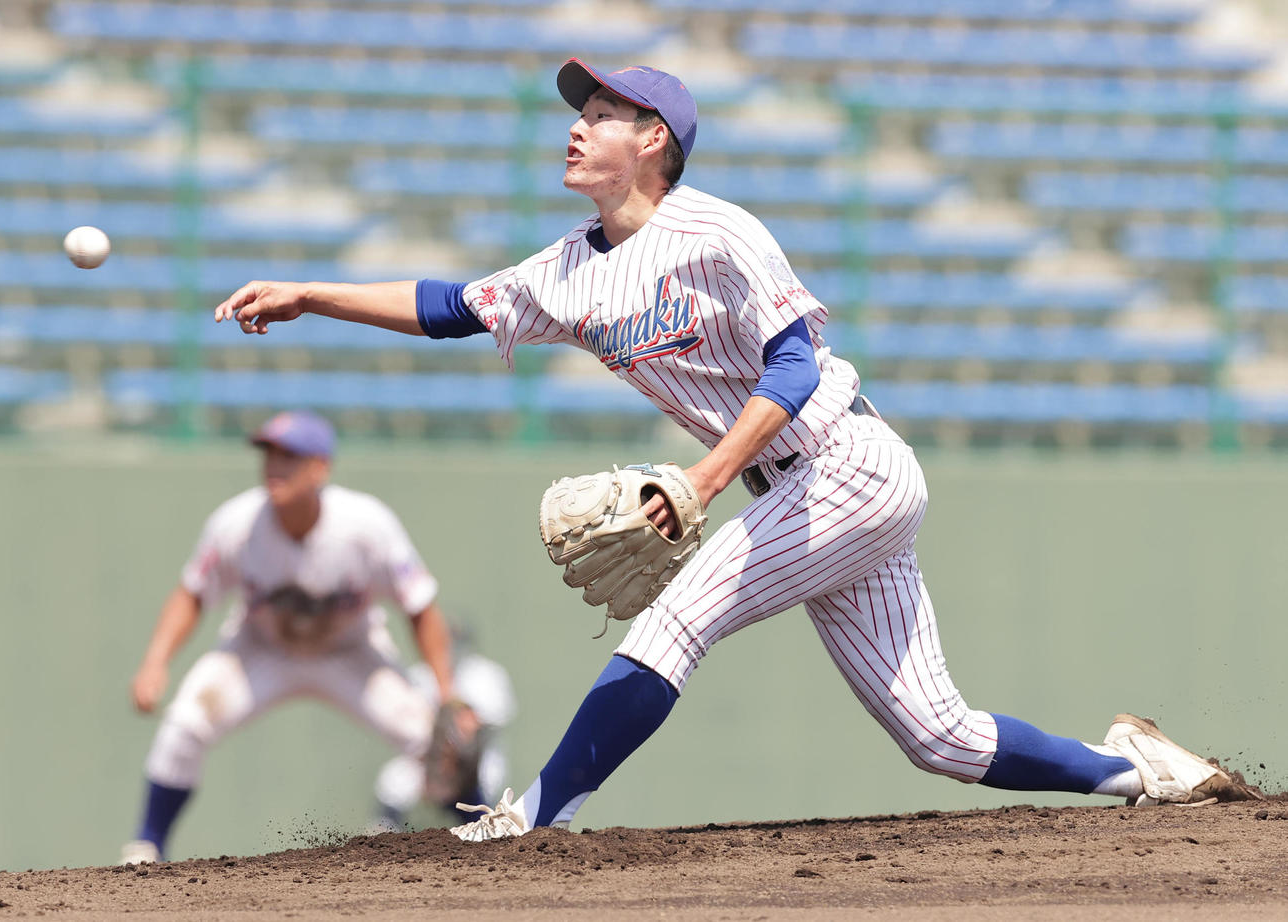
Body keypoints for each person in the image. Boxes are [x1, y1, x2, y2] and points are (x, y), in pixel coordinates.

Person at [214, 59, 1262, 842]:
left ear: (655, 139)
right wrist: (313, 293)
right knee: (939, 736)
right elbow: (450, 306)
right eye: (578, 116)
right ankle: (1143, 776)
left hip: (848, 463)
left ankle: (531, 815)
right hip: (797, 492)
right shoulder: (571, 271)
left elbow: (796, 366)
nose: (576, 131)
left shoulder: (720, 232)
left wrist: (702, 478)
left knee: (679, 615)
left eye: (601, 116)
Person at [122, 410, 457, 863]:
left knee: (437, 739)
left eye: (290, 456)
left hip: (351, 653)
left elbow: (419, 606)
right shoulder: (237, 522)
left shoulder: (366, 524)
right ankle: (147, 846)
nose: (274, 466)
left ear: (321, 467)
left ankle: (490, 841)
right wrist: (154, 662)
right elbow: (193, 595)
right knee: (184, 724)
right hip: (260, 651)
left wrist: (446, 692)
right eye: (269, 455)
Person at [371, 627, 517, 830]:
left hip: (475, 760)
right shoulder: (421, 674)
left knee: (485, 786)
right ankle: (382, 838)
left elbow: (493, 722)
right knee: (395, 780)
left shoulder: (486, 675)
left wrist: (465, 726)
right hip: (428, 758)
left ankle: (486, 839)